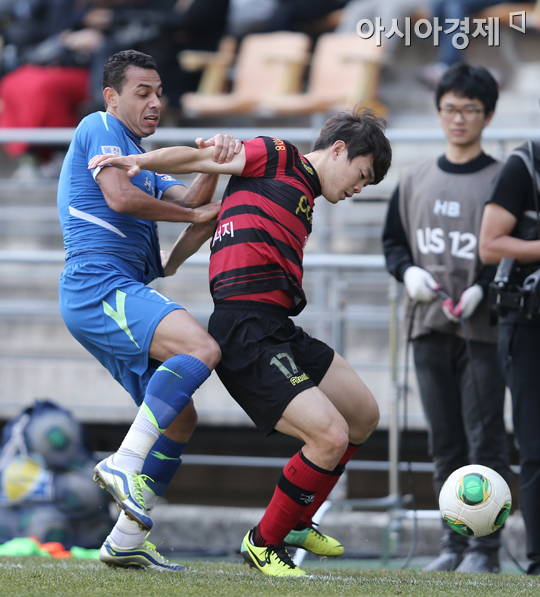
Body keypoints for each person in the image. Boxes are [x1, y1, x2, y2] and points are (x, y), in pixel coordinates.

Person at [88, 106, 392, 577]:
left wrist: (173, 260)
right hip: (246, 330)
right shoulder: (277, 155)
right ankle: (263, 543)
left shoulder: (302, 192)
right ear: (338, 150)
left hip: (279, 327)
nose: (357, 189)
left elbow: (216, 210)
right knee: (328, 435)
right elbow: (199, 157)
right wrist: (140, 163)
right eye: (361, 174)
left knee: (363, 415)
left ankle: (297, 519)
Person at [57, 49, 241, 571]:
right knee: (202, 347)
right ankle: (123, 461)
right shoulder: (98, 128)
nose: (155, 101)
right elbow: (118, 198)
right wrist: (194, 211)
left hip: (115, 289)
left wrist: (213, 157)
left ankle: (125, 537)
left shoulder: (142, 158)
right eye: (143, 92)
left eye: (159, 92)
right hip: (98, 287)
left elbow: (193, 199)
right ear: (112, 97)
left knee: (181, 420)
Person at [382, 63, 511, 573]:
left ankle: (487, 549)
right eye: (450, 109)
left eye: (470, 110)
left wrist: (484, 287)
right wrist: (408, 272)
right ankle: (452, 544)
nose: (459, 119)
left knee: (485, 441)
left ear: (488, 115)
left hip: (484, 330)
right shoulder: (414, 178)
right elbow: (393, 242)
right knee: (444, 442)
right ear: (438, 113)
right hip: (428, 327)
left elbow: (512, 248)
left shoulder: (504, 178)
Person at [479, 123, 540, 576]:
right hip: (528, 321)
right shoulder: (527, 162)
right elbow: (490, 244)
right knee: (536, 446)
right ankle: (538, 562)